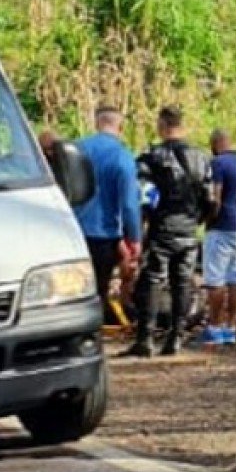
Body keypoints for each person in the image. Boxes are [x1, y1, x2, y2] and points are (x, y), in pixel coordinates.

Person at [124, 105, 211, 358]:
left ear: (162, 126)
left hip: (162, 227)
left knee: (152, 280)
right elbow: (211, 197)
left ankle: (146, 338)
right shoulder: (202, 158)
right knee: (182, 282)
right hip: (188, 230)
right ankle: (176, 337)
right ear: (182, 126)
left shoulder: (152, 157)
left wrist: (142, 227)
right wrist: (196, 220)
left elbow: (143, 198)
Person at [71, 106, 142, 327]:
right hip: (104, 233)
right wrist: (134, 238)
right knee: (99, 288)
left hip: (74, 230)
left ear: (96, 124)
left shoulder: (76, 149)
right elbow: (129, 204)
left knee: (74, 288)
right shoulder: (123, 156)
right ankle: (92, 333)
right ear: (120, 128)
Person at [200, 129, 236, 346]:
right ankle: (231, 329)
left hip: (223, 226)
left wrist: (208, 218)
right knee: (234, 278)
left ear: (215, 145)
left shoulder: (218, 164)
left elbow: (215, 197)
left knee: (215, 279)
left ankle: (214, 328)